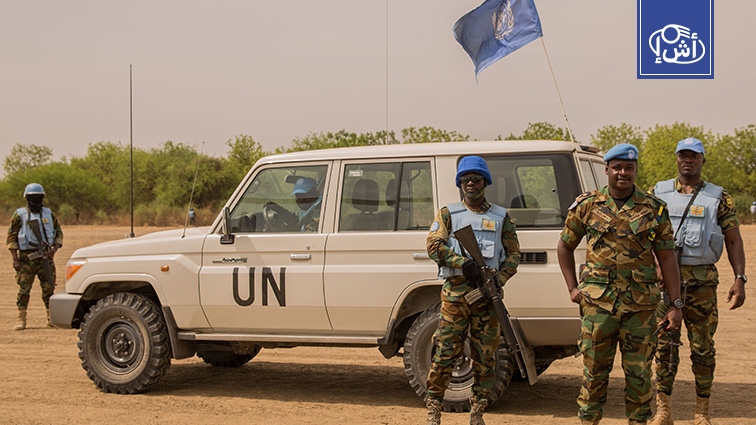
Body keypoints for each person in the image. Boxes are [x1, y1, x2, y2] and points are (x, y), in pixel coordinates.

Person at [557, 143, 683, 425]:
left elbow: (667, 257)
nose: (623, 173)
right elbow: (564, 246)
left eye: (629, 168)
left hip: (641, 308)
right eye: (617, 168)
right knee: (593, 375)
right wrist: (573, 288)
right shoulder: (587, 205)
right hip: (598, 307)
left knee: (640, 377)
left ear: (636, 170)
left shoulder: (654, 208)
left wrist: (675, 304)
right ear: (607, 170)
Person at [648, 137, 747, 425]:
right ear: (677, 158)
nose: (687, 160)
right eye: (683, 155)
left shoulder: (719, 197)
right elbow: (644, 233)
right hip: (665, 286)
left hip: (702, 285)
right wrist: (655, 264)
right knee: (664, 347)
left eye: (693, 155)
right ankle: (664, 411)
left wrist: (739, 278)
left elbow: (733, 239)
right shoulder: (657, 193)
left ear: (703, 159)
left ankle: (701, 412)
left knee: (703, 349)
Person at [425, 155, 521, 425]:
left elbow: (514, 254)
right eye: (465, 179)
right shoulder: (448, 214)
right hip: (456, 296)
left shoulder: (500, 217)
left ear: (485, 182)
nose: (470, 184)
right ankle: (434, 409)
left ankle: (477, 411)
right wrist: (462, 263)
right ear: (459, 183)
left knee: (486, 357)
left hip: (487, 297)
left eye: (475, 179)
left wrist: (500, 279)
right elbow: (433, 246)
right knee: (445, 352)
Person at [6, 183, 63, 330]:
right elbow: (11, 237)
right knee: (24, 290)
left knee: (49, 289)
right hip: (27, 258)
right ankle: (21, 319)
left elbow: (58, 233)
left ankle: (51, 319)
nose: (36, 199)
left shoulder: (49, 214)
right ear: (27, 198)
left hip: (46, 258)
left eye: (38, 196)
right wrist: (15, 259)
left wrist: (54, 250)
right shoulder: (19, 215)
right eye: (33, 197)